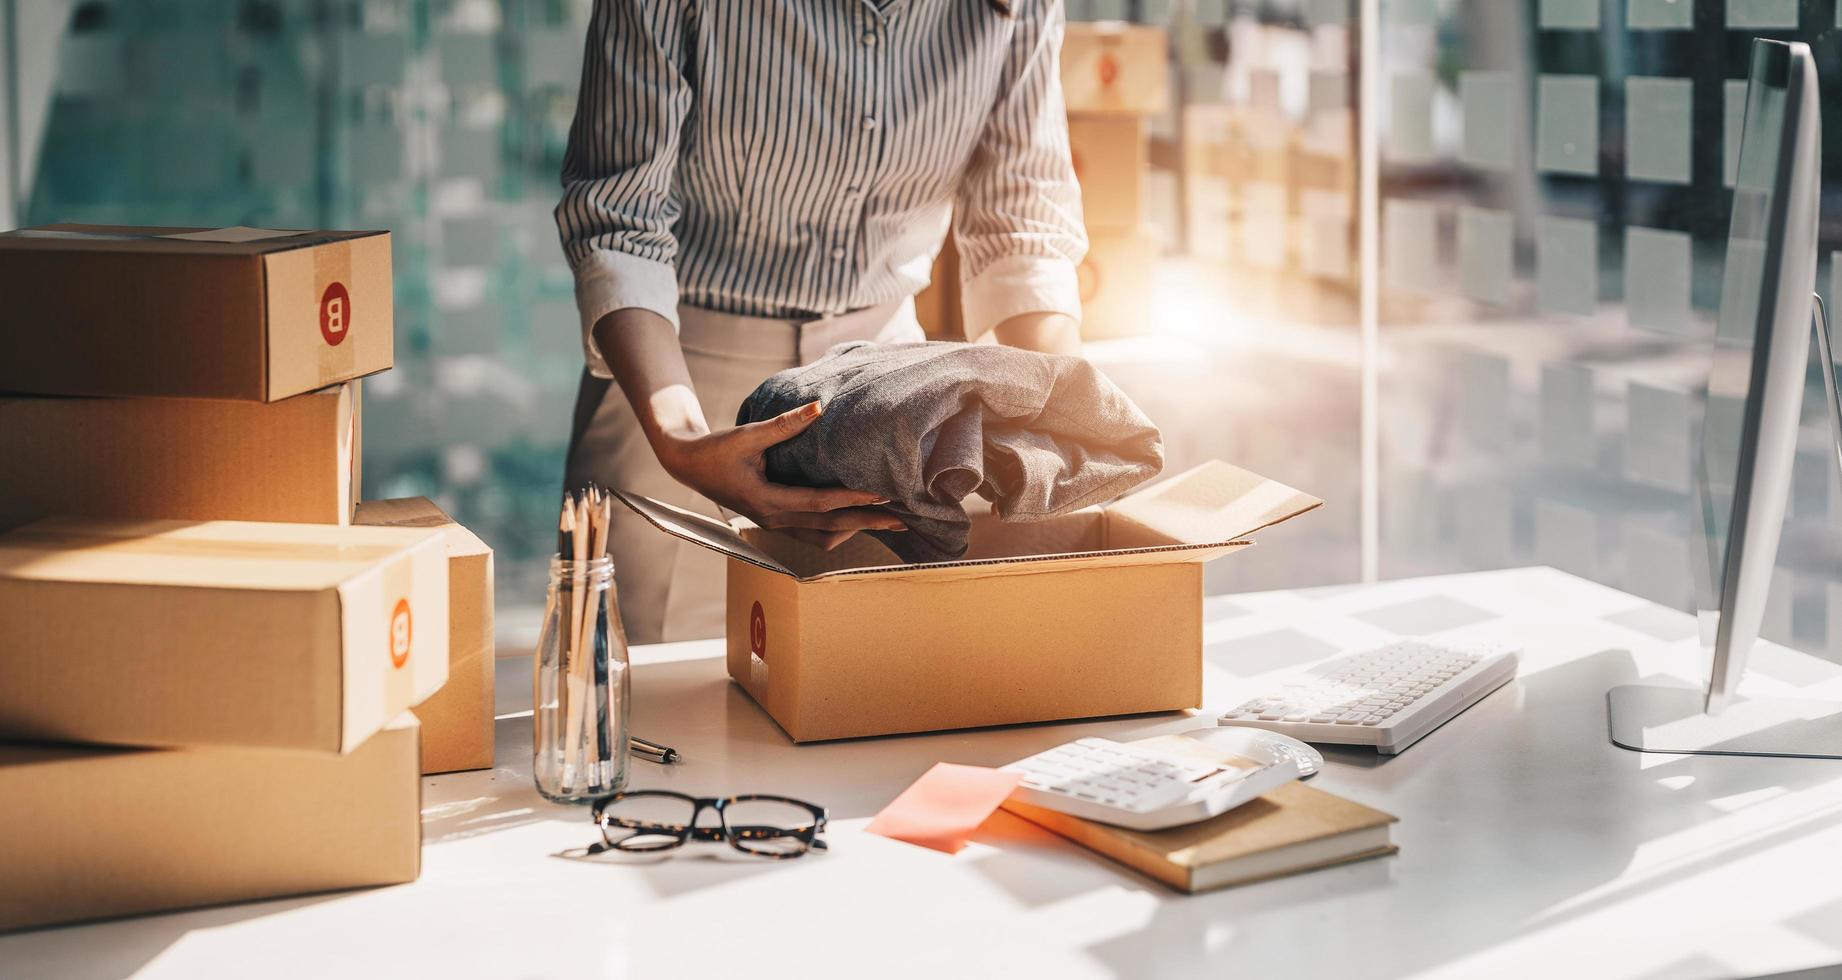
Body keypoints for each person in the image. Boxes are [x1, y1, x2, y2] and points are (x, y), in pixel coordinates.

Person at [556, 0, 1087, 643]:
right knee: (639, 698)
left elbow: (1021, 230)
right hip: (673, 388)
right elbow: (620, 222)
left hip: (885, 407)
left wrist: (1070, 418)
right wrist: (682, 441)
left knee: (867, 687)